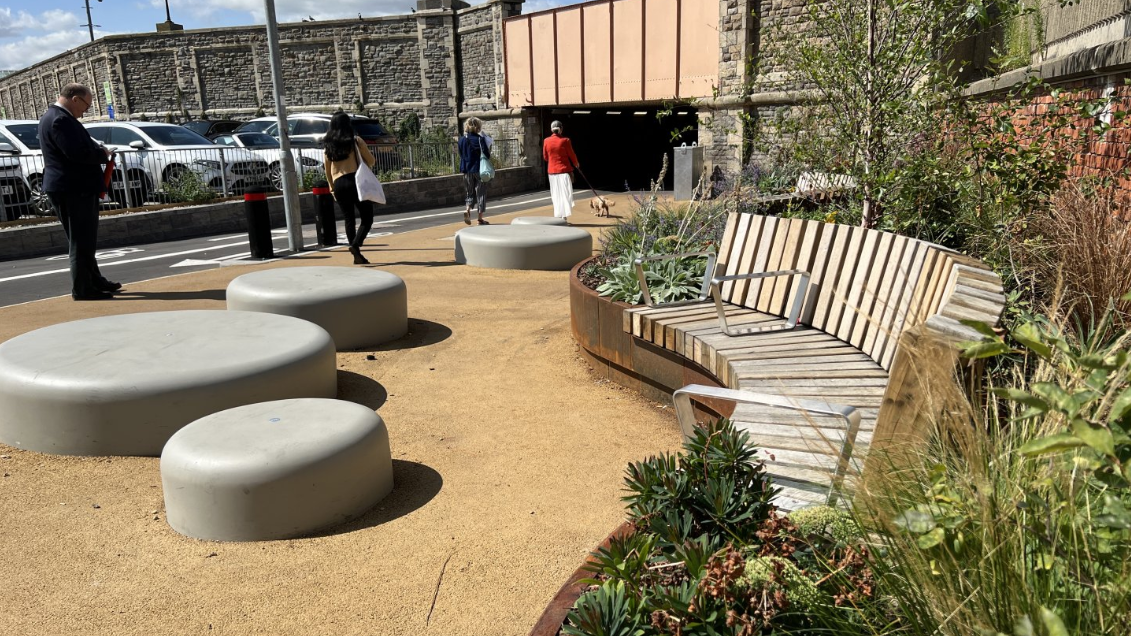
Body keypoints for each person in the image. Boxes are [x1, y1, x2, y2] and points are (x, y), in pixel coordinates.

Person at [38, 83, 121, 301]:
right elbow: (77, 154)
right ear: (75, 99)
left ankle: (94, 279)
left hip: (71, 187)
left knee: (85, 239)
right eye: (86, 105)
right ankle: (83, 289)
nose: (85, 111)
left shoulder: (54, 116)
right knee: (81, 240)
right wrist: (102, 154)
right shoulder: (60, 120)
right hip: (73, 188)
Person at [323, 112, 377, 265]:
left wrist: (332, 189)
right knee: (367, 218)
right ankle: (355, 244)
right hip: (355, 181)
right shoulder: (355, 141)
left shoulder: (328, 146)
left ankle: (357, 255)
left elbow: (327, 171)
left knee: (349, 219)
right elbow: (371, 161)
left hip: (339, 184)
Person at [542, 120, 580, 222]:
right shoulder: (565, 140)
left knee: (556, 194)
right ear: (561, 129)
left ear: (551, 129)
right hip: (564, 171)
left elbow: (545, 157)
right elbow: (571, 154)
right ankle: (564, 216)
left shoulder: (546, 141)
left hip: (552, 172)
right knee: (565, 194)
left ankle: (558, 215)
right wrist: (576, 164)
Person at [457, 117, 490, 225]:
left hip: (466, 169)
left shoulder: (462, 140)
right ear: (478, 127)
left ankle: (467, 209)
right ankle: (480, 219)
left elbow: (461, 154)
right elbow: (487, 155)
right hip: (479, 169)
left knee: (469, 192)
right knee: (481, 193)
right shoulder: (480, 139)